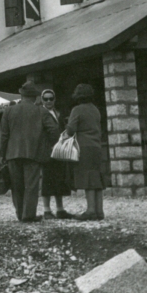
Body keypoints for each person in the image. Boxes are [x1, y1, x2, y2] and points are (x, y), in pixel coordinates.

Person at [0, 82, 59, 223]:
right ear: (35, 97)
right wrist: (48, 145)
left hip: (12, 153)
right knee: (31, 185)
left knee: (16, 185)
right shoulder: (41, 111)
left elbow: (4, 135)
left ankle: (20, 214)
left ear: (21, 95)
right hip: (34, 153)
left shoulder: (8, 111)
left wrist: (2, 154)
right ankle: (29, 215)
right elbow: (54, 130)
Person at [65, 84, 106, 221]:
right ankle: (99, 211)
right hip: (96, 146)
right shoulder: (95, 109)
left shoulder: (77, 110)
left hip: (84, 147)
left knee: (88, 178)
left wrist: (67, 124)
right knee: (96, 176)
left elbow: (70, 130)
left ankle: (91, 210)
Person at [39, 89, 73, 220]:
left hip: (59, 149)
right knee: (47, 179)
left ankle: (60, 209)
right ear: (42, 100)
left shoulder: (58, 113)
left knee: (60, 177)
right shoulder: (40, 113)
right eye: (46, 99)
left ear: (54, 100)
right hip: (47, 150)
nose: (48, 101)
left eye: (51, 99)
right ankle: (47, 210)